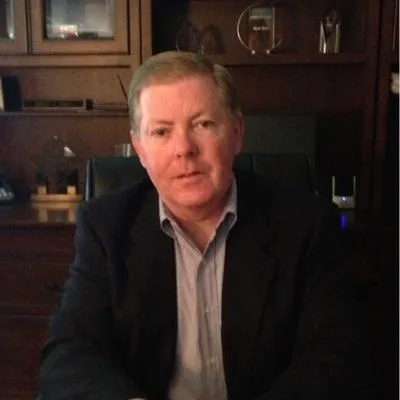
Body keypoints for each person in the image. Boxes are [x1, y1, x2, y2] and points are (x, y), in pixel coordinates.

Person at [38, 51, 371, 400]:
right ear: (140, 149)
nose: (184, 148)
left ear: (237, 133)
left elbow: (334, 355)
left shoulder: (304, 224)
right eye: (161, 131)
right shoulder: (105, 228)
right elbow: (68, 353)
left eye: (203, 124)